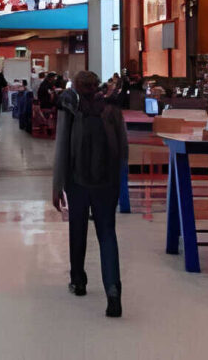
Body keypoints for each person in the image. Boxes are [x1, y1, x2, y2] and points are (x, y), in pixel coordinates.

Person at [52, 71, 127, 317]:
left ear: (75, 86)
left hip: (77, 181)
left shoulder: (71, 108)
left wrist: (57, 186)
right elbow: (123, 150)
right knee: (107, 234)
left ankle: (79, 281)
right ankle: (113, 290)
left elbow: (62, 148)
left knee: (78, 230)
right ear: (97, 87)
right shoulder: (112, 109)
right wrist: (118, 184)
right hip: (107, 183)